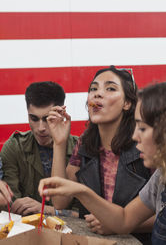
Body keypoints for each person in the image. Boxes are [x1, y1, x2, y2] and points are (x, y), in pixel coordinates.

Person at [39, 79, 166, 244]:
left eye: (143, 128)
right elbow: (124, 220)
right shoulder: (163, 177)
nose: (135, 136)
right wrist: (81, 191)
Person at [46, 66, 152, 243]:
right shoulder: (85, 143)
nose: (97, 94)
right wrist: (59, 143)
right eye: (93, 89)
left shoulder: (143, 143)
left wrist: (119, 224)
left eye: (110, 88)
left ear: (127, 103)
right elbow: (59, 202)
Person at [0, 81, 78, 216]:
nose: (41, 128)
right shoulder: (14, 147)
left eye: (48, 118)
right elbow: (11, 207)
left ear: (61, 113)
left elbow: (86, 214)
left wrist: (45, 210)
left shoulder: (81, 149)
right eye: (34, 118)